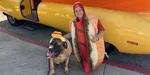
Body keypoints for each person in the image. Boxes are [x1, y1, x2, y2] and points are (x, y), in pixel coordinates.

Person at [63, 2, 105, 74]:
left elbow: (102, 30)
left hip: (90, 48)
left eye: (80, 10)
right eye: (76, 11)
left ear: (83, 10)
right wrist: (62, 37)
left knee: (88, 70)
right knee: (84, 65)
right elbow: (72, 34)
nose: (78, 12)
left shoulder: (93, 20)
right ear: (74, 12)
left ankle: (103, 56)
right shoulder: (73, 23)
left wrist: (97, 37)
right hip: (80, 49)